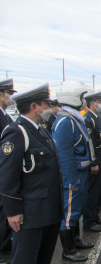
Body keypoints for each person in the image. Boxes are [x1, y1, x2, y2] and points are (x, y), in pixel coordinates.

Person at [0, 83, 63, 264]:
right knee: (25, 259)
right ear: (34, 107)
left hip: (49, 211)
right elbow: (7, 176)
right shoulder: (16, 132)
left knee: (43, 258)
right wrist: (12, 212)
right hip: (30, 215)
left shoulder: (41, 130)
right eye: (47, 104)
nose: (51, 108)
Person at [52, 81, 95, 262]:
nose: (84, 100)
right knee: (69, 213)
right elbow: (65, 155)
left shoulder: (73, 118)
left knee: (77, 210)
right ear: (74, 98)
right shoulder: (65, 121)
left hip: (81, 172)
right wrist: (70, 180)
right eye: (82, 97)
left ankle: (75, 240)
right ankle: (68, 251)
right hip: (74, 174)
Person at [83, 90, 101, 233]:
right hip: (95, 161)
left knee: (98, 191)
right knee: (92, 192)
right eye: (99, 102)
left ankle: (95, 215)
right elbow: (90, 143)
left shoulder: (96, 117)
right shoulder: (88, 119)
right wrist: (93, 162)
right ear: (92, 103)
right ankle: (89, 221)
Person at [0, 79, 16, 264]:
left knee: (4, 209)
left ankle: (5, 243)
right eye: (8, 93)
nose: (10, 97)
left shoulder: (5, 115)